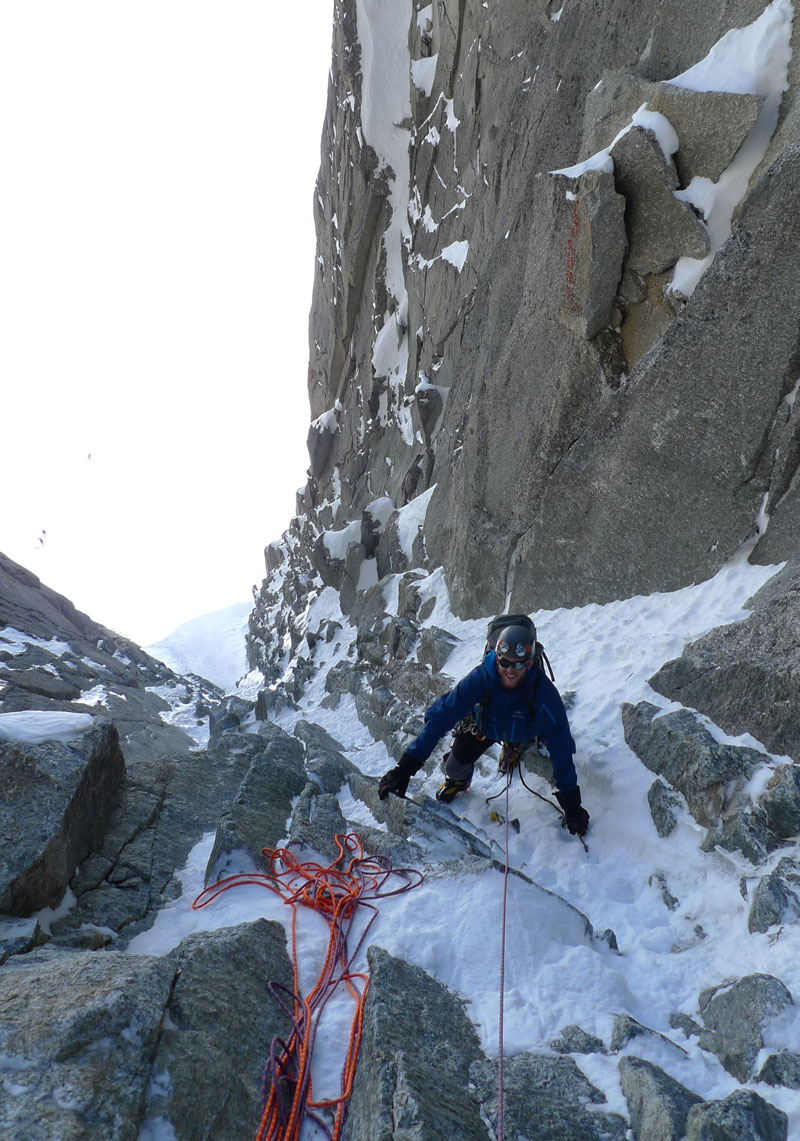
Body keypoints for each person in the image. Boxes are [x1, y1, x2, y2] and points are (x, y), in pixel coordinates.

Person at [377, 622, 590, 837]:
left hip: (526, 730)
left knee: (545, 741)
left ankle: (515, 747)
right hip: (488, 727)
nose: (510, 670)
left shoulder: (544, 693)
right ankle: (461, 779)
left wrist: (571, 804)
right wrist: (404, 770)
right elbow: (442, 717)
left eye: (517, 664)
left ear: (529, 664)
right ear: (497, 657)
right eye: (504, 662)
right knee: (452, 768)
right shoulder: (480, 679)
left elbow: (561, 745)